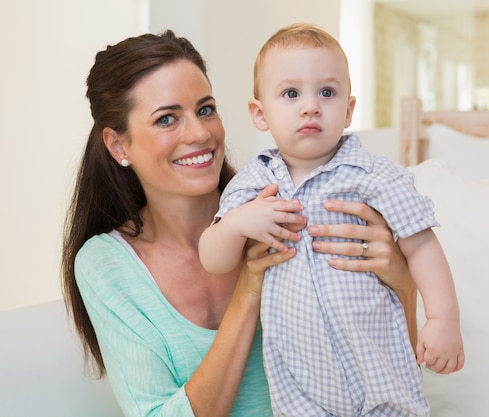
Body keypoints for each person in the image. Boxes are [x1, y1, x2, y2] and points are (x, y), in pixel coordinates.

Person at [62, 29, 419, 417]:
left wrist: (403, 283)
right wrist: (249, 288)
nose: (200, 134)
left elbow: (392, 377)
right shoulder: (107, 265)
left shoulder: (291, 210)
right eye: (167, 119)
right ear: (118, 145)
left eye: (205, 110)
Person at [199, 23, 464, 416]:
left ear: (348, 110)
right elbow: (213, 258)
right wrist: (237, 224)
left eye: (327, 92)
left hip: (380, 368)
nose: (311, 106)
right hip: (301, 385)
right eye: (291, 93)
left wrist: (443, 318)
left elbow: (422, 245)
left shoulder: (375, 177)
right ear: (260, 114)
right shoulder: (254, 184)